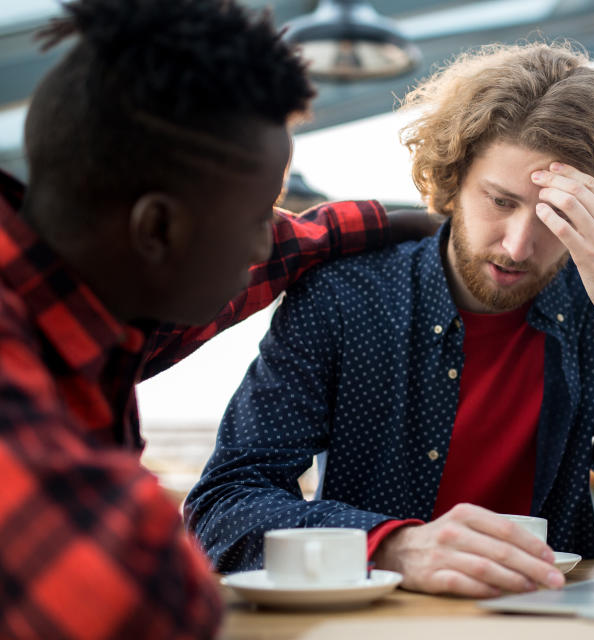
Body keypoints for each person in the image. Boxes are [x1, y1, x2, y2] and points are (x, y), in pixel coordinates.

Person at [186, 42, 594, 599]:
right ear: (453, 180)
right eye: (501, 201)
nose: (519, 245)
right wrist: (389, 547)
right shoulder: (345, 296)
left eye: (556, 215)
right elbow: (224, 504)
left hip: (549, 624)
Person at [0, 0, 432, 637]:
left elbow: (286, 250)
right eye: (258, 216)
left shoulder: (89, 300)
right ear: (158, 229)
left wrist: (430, 228)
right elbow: (135, 605)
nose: (265, 244)